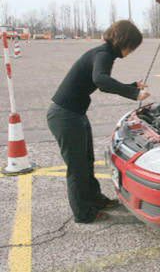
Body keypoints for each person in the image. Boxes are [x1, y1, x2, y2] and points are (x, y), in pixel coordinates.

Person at [47, 20, 150, 224]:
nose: (132, 51)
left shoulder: (104, 53)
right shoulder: (103, 54)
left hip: (74, 114)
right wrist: (133, 93)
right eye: (133, 46)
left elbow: (101, 82)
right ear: (125, 41)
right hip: (64, 116)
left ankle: (95, 199)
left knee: (86, 161)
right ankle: (83, 213)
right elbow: (101, 80)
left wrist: (131, 86)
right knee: (77, 167)